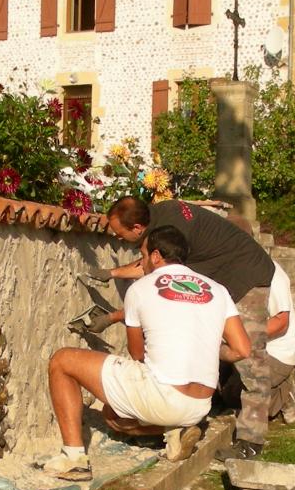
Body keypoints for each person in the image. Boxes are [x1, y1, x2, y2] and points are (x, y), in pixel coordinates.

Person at [41, 226, 251, 482]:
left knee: (62, 361)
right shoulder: (217, 289)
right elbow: (242, 349)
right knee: (114, 415)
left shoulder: (140, 289)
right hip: (199, 406)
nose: (140, 262)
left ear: (155, 256)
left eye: (142, 254)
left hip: (162, 395)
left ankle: (73, 459)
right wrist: (205, 348)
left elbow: (137, 353)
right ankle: (173, 431)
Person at [96, 196, 276, 461]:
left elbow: (155, 281)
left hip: (245, 276)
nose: (118, 239)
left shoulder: (170, 230)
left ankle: (251, 440)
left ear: (137, 228)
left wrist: (113, 300)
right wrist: (112, 275)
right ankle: (193, 412)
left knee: (251, 360)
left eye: (120, 234)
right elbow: (157, 275)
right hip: (222, 274)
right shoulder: (160, 215)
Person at [220, 261, 295, 423]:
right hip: (244, 347)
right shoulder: (227, 266)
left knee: (235, 397)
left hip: (275, 352)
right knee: (218, 390)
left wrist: (239, 338)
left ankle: (284, 394)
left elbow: (281, 323)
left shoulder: (272, 274)